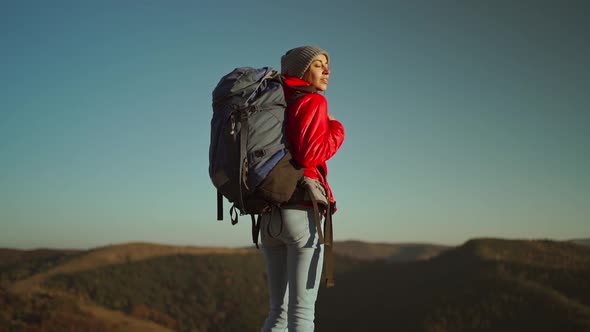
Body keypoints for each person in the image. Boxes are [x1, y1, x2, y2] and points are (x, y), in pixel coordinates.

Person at [259, 46, 345, 332]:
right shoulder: (311, 101)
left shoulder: (273, 103)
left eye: (326, 65)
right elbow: (309, 155)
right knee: (302, 315)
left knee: (278, 313)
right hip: (300, 213)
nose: (327, 70)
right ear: (301, 71)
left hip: (269, 216)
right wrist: (337, 129)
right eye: (319, 65)